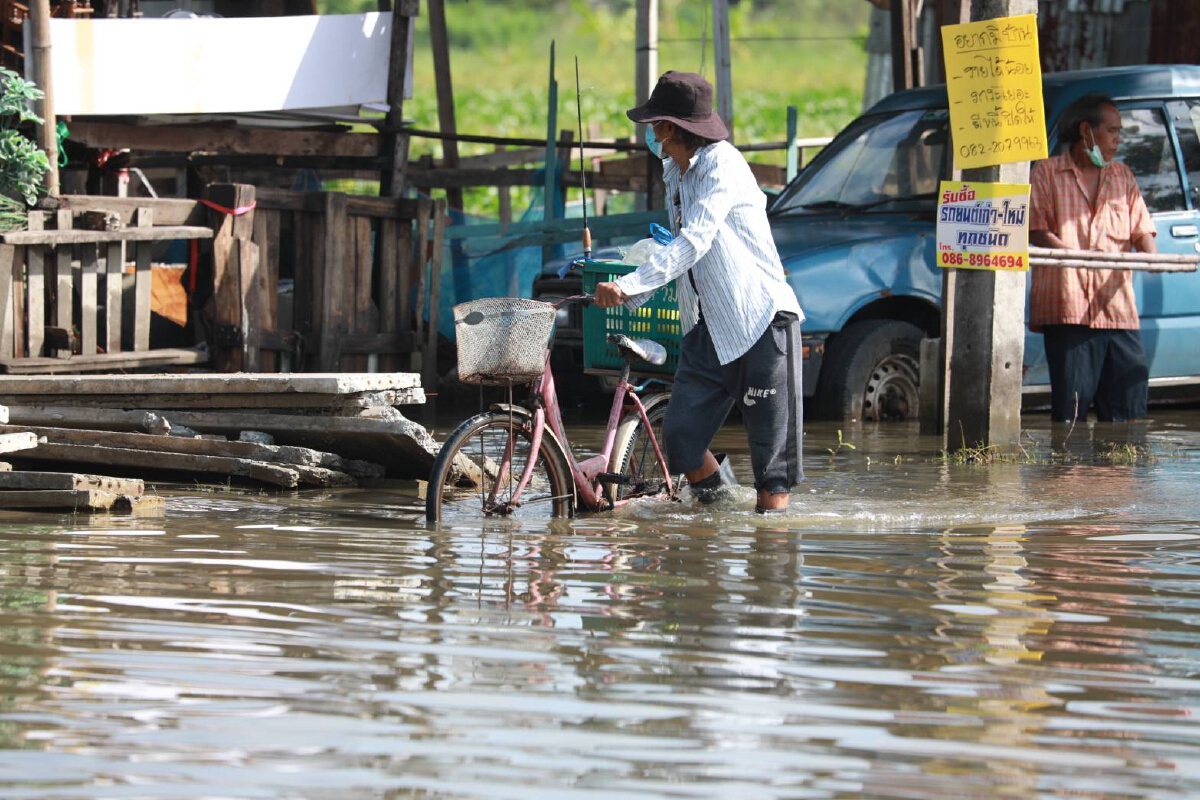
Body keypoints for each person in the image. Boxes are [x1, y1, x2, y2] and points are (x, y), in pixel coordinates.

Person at [593, 71, 804, 513]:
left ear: (671, 128)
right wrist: (634, 291)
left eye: (655, 126)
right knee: (682, 439)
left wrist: (628, 285)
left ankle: (771, 560)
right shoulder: (677, 173)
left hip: (759, 321)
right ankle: (720, 515)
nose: (652, 135)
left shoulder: (721, 166)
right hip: (707, 326)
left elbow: (695, 241)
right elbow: (677, 249)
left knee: (772, 468)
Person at [1029, 93, 1158, 422]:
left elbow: (1141, 229)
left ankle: (1118, 476)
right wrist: (1075, 256)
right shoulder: (1045, 173)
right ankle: (1070, 475)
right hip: (1069, 310)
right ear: (1086, 132)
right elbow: (1036, 229)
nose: (1118, 139)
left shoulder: (1123, 176)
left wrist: (1151, 256)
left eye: (1120, 132)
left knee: (1129, 415)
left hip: (1118, 311)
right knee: (1071, 418)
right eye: (1112, 131)